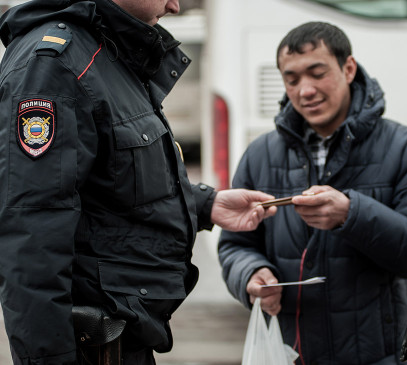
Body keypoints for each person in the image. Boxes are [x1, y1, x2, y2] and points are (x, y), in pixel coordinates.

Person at [0, 0, 277, 364]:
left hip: (123, 336)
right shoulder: (55, 65)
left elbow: (113, 186)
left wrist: (205, 205)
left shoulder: (105, 52)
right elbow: (32, 236)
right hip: (90, 346)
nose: (175, 5)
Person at [218, 21, 407, 365]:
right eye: (291, 79)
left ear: (348, 68)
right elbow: (235, 245)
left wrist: (351, 214)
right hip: (289, 353)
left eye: (317, 73)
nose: (305, 90)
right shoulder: (260, 154)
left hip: (379, 354)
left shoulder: (404, 147)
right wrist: (250, 274)